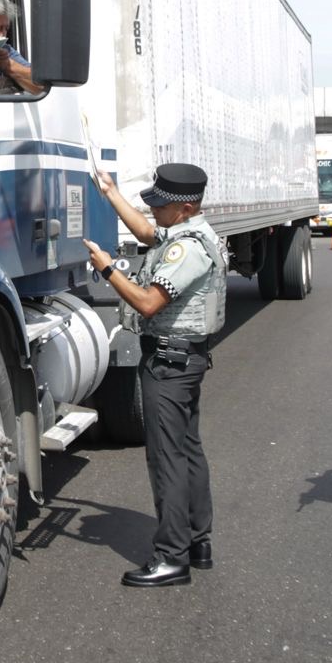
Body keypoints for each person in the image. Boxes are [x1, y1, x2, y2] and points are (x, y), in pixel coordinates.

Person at [86, 163, 226, 587]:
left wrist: (109, 270)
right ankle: (197, 542)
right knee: (187, 450)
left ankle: (171, 557)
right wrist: (111, 193)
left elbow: (148, 302)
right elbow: (148, 234)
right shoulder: (191, 232)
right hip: (183, 360)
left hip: (168, 365)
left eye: (161, 206)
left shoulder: (189, 249)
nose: (154, 212)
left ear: (185, 208)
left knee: (167, 459)